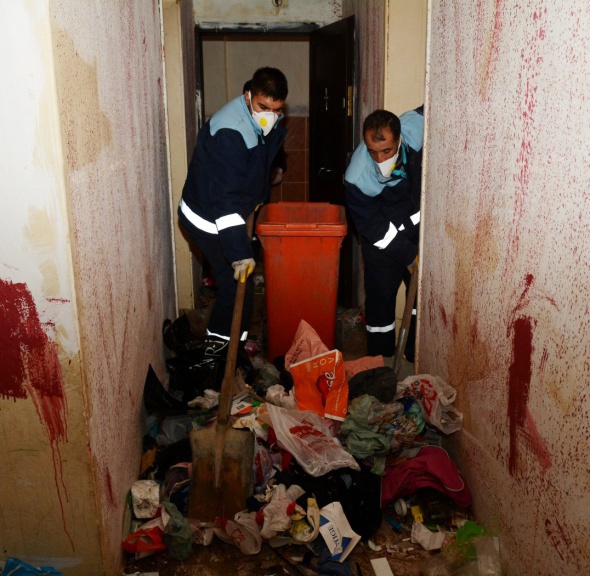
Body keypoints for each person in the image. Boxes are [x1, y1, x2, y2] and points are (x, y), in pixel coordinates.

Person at [178, 67, 288, 353]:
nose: (270, 116)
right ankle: (217, 352)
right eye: (263, 107)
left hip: (231, 212)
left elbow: (262, 153)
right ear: (248, 95)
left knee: (242, 287)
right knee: (235, 287)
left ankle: (235, 350)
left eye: (277, 110)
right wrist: (239, 253)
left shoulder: (258, 118)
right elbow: (224, 201)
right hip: (208, 219)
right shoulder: (230, 132)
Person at [344, 106, 424, 362]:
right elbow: (373, 227)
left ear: (399, 139)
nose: (379, 159)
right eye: (373, 151)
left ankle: (413, 353)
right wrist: (408, 255)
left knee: (421, 298)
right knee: (380, 301)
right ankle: (381, 360)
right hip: (382, 241)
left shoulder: (414, 131)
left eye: (386, 151)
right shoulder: (357, 177)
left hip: (417, 230)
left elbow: (432, 106)